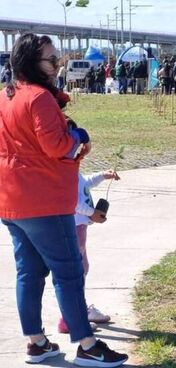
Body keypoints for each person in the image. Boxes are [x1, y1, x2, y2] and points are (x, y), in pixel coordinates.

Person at [0, 33, 128, 367]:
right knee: (69, 272)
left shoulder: (5, 96)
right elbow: (56, 145)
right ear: (32, 62)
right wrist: (77, 139)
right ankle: (87, 345)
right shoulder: (41, 98)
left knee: (28, 273)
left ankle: (37, 342)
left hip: (12, 202)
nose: (57, 66)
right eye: (52, 60)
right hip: (44, 202)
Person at [58, 159, 120, 334]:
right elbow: (72, 201)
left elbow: (85, 183)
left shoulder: (73, 170)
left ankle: (81, 309)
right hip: (74, 226)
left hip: (80, 226)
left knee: (83, 268)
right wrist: (92, 213)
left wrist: (102, 176)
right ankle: (69, 318)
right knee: (75, 271)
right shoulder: (64, 172)